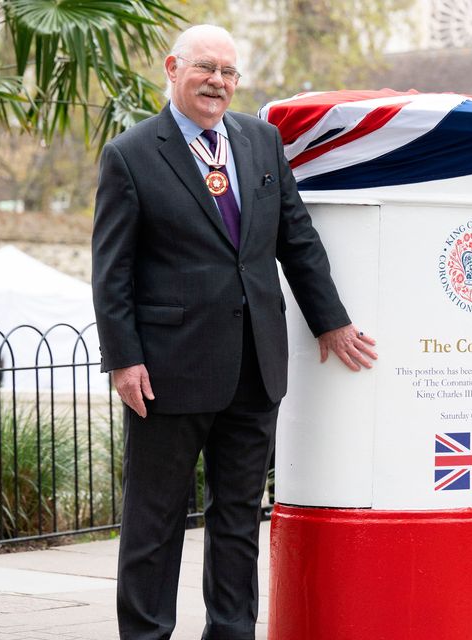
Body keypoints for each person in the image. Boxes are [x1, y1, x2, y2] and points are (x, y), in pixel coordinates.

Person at [91, 24, 377, 640]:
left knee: (239, 518)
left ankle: (231, 630)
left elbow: (297, 240)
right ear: (173, 68)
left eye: (227, 71)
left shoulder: (261, 142)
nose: (217, 81)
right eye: (204, 68)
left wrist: (332, 321)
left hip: (255, 365)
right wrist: (123, 360)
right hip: (167, 373)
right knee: (154, 522)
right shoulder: (132, 154)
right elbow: (111, 272)